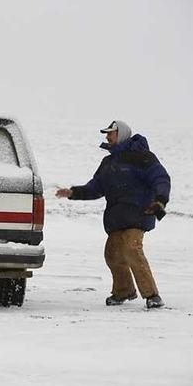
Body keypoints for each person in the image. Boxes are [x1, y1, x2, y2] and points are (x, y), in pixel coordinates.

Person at [56, 118, 170, 308]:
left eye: (111, 133)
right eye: (107, 134)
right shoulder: (108, 162)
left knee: (132, 249)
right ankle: (124, 291)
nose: (107, 137)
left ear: (122, 134)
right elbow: (96, 188)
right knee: (112, 254)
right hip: (117, 218)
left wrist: (160, 200)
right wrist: (73, 192)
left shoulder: (143, 157)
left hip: (139, 213)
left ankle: (152, 295)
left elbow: (161, 178)